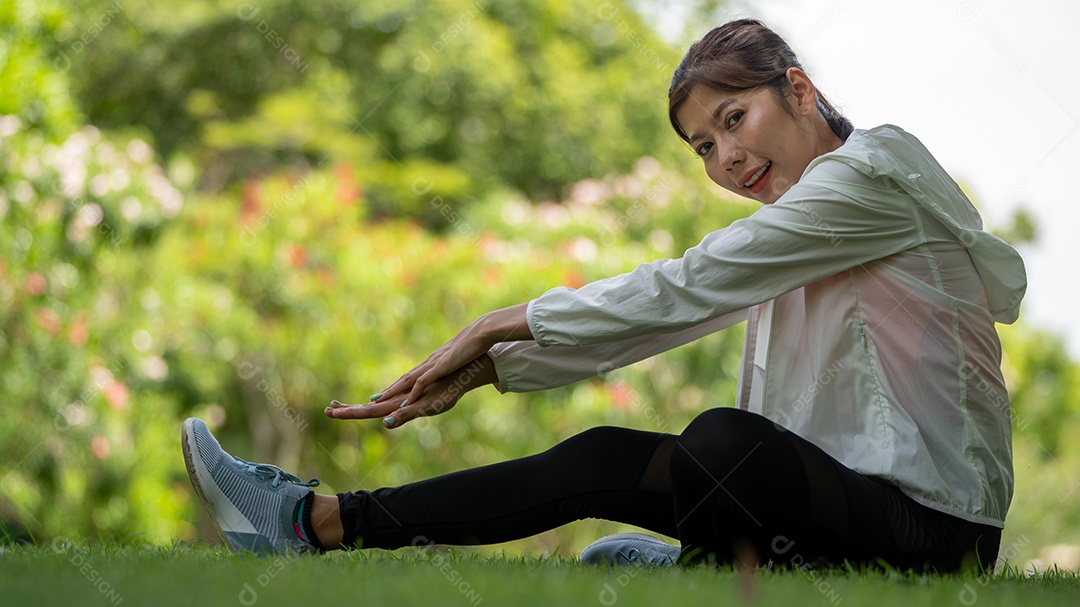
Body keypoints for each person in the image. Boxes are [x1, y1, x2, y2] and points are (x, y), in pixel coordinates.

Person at [181, 19, 1026, 572]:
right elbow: (665, 318)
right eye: (704, 146)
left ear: (798, 91)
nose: (726, 157)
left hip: (935, 534)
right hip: (837, 510)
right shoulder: (804, 215)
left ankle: (707, 567)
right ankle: (313, 520)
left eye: (734, 119)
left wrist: (500, 322)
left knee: (723, 443)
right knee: (602, 455)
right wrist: (496, 367)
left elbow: (687, 285)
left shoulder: (867, 179)